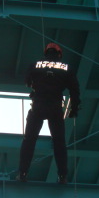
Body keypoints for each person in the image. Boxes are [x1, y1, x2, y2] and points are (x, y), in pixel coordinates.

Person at [18, 42, 81, 184]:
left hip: (38, 106)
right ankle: (62, 176)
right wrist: (74, 108)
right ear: (59, 54)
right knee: (59, 142)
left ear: (46, 53)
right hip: (55, 108)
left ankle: (23, 173)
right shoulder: (67, 68)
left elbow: (27, 82)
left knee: (29, 140)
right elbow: (75, 90)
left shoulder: (35, 64)